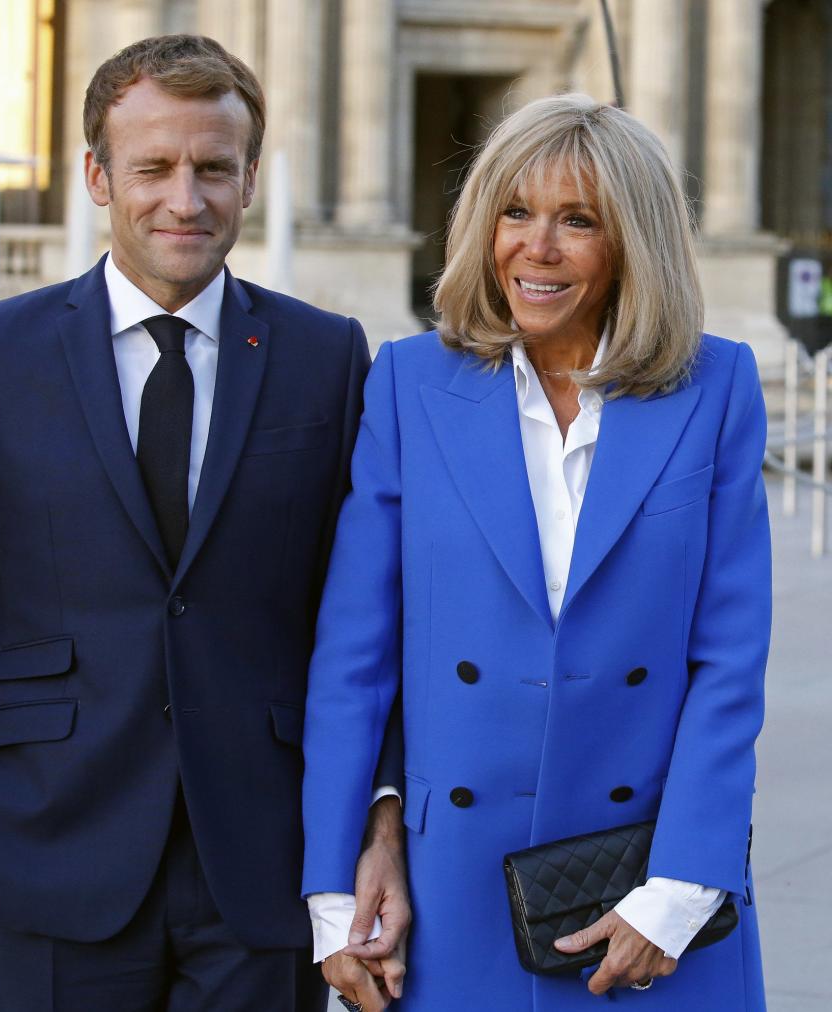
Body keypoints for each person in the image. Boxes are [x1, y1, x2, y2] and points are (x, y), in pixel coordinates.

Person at [0, 34, 405, 1012]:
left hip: (266, 851)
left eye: (213, 168)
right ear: (97, 176)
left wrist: (374, 812)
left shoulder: (325, 357)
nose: (185, 198)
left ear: (249, 179)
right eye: (153, 167)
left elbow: (366, 615)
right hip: (46, 848)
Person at [302, 93, 770, 1010]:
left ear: (635, 241)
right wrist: (337, 882)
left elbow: (729, 661)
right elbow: (355, 656)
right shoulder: (409, 383)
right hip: (447, 899)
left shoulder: (715, 389)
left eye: (578, 220)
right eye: (515, 212)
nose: (536, 247)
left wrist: (677, 892)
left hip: (650, 897)